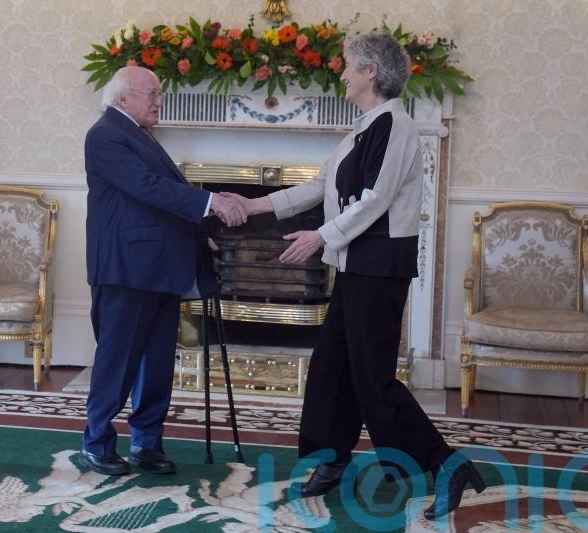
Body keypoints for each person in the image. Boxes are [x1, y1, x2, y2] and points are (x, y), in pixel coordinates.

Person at [227, 32, 485, 520]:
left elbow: (377, 198)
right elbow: (322, 185)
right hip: (355, 267)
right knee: (332, 368)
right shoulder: (363, 128)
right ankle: (332, 460)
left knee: (373, 381)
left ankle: (448, 465)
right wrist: (252, 203)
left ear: (370, 71)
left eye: (347, 66)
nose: (341, 73)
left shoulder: (397, 126)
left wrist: (321, 237)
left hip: (380, 269)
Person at [81, 66, 245, 476]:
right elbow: (147, 188)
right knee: (118, 361)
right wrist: (211, 203)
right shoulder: (104, 135)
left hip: (159, 266)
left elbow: (159, 200)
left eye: (159, 92)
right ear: (123, 98)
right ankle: (97, 441)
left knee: (156, 363)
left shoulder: (141, 135)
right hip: (125, 268)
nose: (159, 100)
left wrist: (199, 235)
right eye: (151, 92)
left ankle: (147, 442)